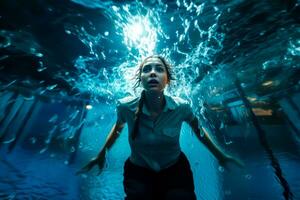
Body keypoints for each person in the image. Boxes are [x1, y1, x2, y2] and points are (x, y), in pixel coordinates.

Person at [77, 55, 243, 200]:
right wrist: (101, 155)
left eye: (159, 69)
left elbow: (198, 130)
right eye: (147, 69)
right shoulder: (125, 106)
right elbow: (118, 129)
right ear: (140, 79)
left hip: (175, 169)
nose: (153, 72)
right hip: (138, 171)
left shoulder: (181, 107)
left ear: (167, 80)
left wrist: (220, 155)